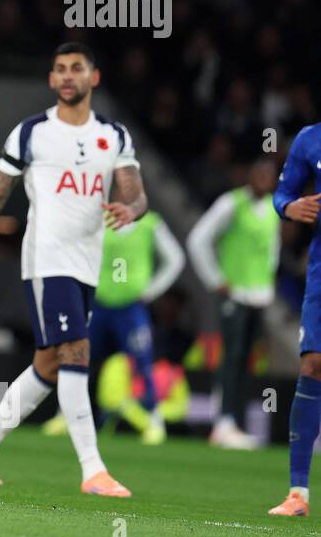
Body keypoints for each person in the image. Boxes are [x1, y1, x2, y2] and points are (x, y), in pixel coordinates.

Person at [0, 42, 147, 497]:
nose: (68, 76)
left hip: (87, 266)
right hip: (47, 260)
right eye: (60, 69)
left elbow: (136, 193)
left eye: (77, 68)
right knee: (75, 351)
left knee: (49, 364)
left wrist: (131, 209)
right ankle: (93, 470)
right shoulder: (31, 133)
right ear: (52, 79)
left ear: (94, 77)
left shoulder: (114, 135)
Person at [43, 209, 185, 444]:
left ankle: (153, 420)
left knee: (143, 363)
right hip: (99, 305)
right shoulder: (97, 221)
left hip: (131, 308)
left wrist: (151, 291)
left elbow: (175, 259)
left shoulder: (150, 224)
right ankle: (65, 415)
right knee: (77, 357)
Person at [186, 157, 281, 449]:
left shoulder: (274, 208)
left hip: (259, 296)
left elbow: (272, 249)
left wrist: (268, 282)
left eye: (269, 175)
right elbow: (198, 239)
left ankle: (235, 423)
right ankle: (224, 422)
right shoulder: (231, 203)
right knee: (232, 356)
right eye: (259, 173)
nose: (264, 179)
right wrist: (215, 279)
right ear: (249, 175)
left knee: (246, 360)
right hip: (234, 294)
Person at [267, 126, 321, 516]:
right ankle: (298, 493)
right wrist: (289, 207)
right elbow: (282, 193)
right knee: (313, 364)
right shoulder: (310, 139)